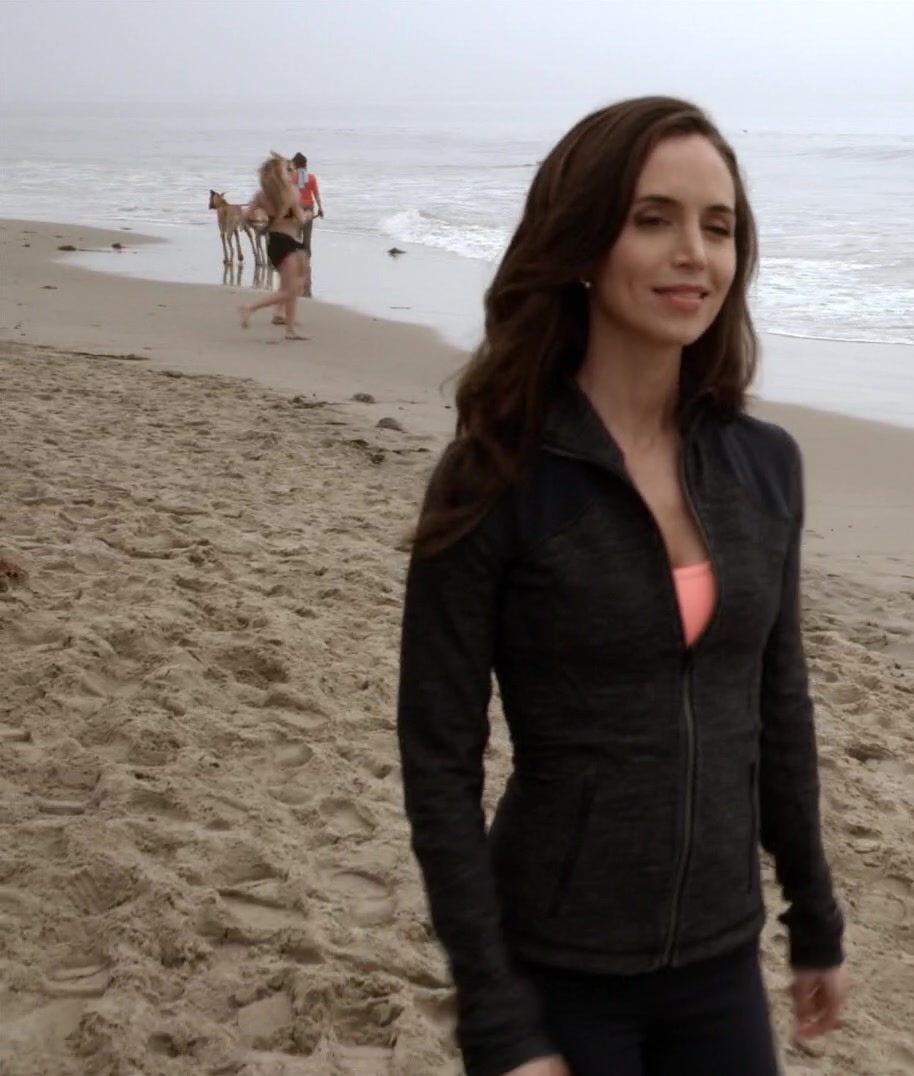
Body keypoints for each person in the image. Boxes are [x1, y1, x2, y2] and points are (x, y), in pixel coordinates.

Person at [396, 96, 848, 1076]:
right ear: (583, 242)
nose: (694, 253)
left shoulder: (765, 466)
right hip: (557, 969)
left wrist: (814, 918)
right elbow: (438, 763)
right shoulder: (495, 479)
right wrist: (496, 1015)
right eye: (654, 219)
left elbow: (779, 706)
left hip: (721, 960)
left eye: (718, 227)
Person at [237, 154, 310, 340]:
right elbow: (301, 219)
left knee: (290, 287)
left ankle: (290, 328)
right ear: (280, 174)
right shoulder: (291, 193)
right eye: (285, 170)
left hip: (274, 244)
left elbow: (244, 216)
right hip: (289, 243)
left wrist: (255, 226)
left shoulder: (261, 196)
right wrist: (308, 215)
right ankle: (250, 307)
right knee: (291, 290)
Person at [291, 152, 323, 252]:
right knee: (307, 238)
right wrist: (320, 208)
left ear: (295, 165)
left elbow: (288, 196)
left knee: (296, 237)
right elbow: (316, 195)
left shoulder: (291, 178)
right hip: (309, 209)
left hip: (296, 209)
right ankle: (307, 258)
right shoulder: (312, 177)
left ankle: (296, 257)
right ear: (305, 164)